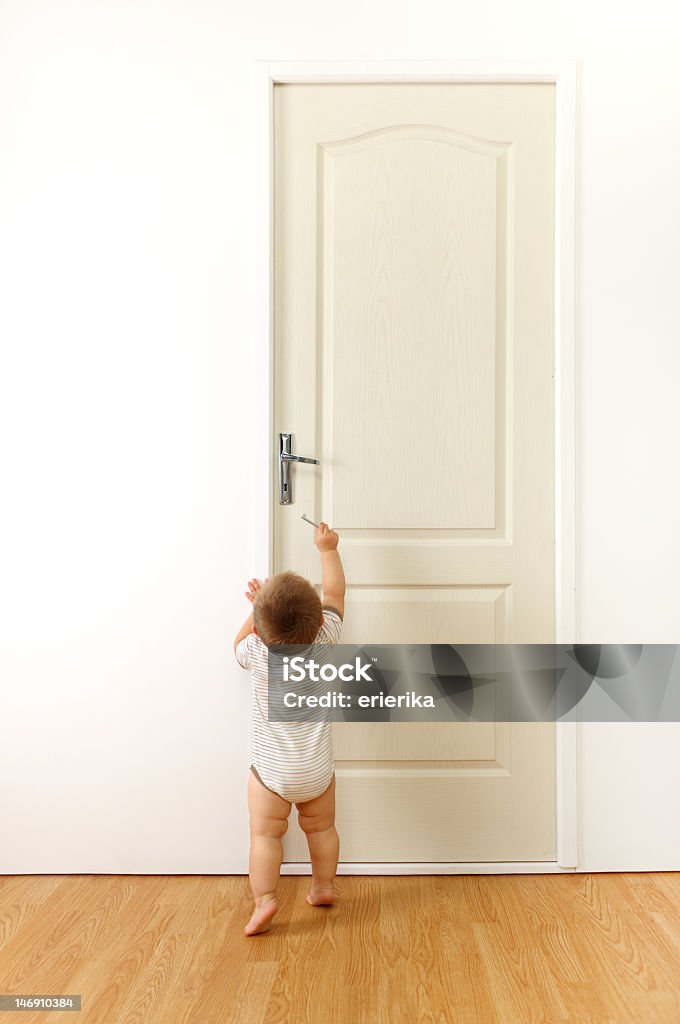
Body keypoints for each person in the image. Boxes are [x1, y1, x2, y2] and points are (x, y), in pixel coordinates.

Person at [233, 522, 345, 936]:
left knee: (265, 835)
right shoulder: (327, 640)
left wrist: (254, 611)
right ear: (317, 622)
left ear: (263, 632)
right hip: (316, 772)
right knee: (321, 829)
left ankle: (264, 901)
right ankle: (323, 886)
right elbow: (335, 594)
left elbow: (237, 644)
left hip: (271, 775)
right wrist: (327, 549)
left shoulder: (259, 654)